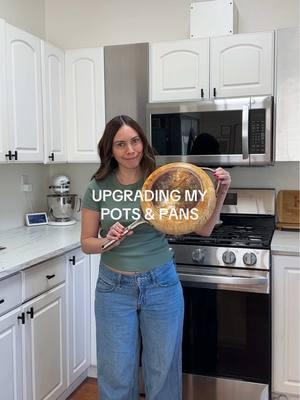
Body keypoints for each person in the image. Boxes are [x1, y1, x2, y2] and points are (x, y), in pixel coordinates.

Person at [80, 115, 231, 400]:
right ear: (110, 150)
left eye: (135, 141)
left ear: (143, 142)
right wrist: (107, 241)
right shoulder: (98, 187)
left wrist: (221, 190)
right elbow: (87, 243)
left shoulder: (162, 181)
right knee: (115, 374)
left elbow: (204, 228)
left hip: (161, 285)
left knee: (163, 372)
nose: (130, 150)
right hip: (114, 289)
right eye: (120, 144)